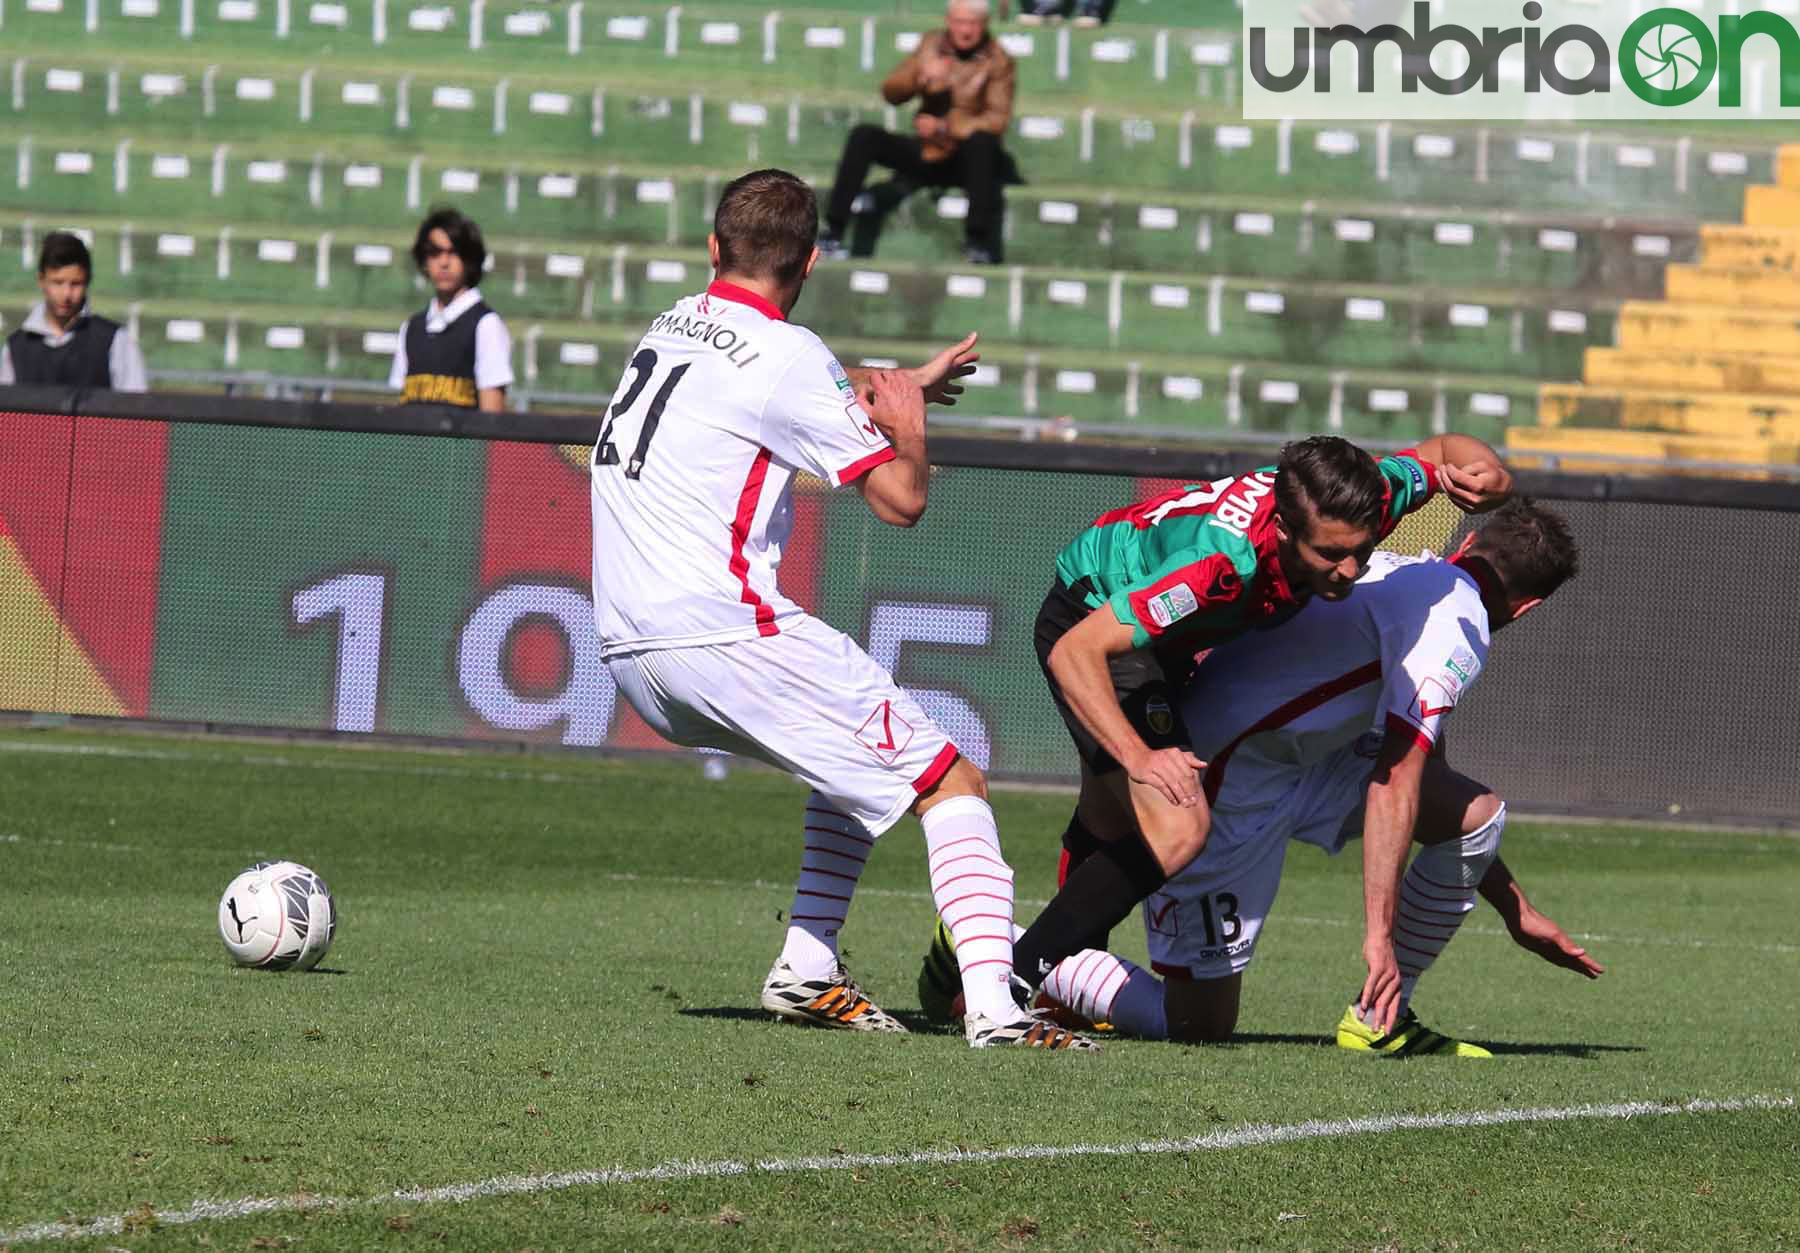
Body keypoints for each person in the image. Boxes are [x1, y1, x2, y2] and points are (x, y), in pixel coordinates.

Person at [589, 168, 1093, 1050]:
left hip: (628, 650)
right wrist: (910, 423)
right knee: (950, 780)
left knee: (846, 765)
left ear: (714, 249)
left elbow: (784, 373)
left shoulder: (667, 324)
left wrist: (893, 384)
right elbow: (901, 500)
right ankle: (998, 1012)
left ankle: (807, 969)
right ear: (812, 261)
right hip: (722, 630)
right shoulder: (791, 358)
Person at [925, 499, 1602, 1052]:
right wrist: (1377, 938)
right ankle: (1001, 946)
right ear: (1528, 606)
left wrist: (1516, 909)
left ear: (1472, 539)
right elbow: (1393, 784)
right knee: (1197, 1024)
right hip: (1228, 775)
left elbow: (1425, 769)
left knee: (1476, 812)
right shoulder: (1458, 625)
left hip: (1294, 761)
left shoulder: (1398, 571)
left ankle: (1379, 1017)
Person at [1001, 435, 1514, 1001]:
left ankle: (1001, 970)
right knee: (1178, 825)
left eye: (1360, 551)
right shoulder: (1221, 563)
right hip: (1095, 612)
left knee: (1108, 817)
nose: (1348, 571)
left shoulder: (1369, 497)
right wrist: (1139, 756)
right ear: (1284, 530)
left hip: (1158, 639)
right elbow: (1076, 651)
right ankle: (1009, 981)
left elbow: (1446, 449)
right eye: (1329, 554)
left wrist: (1493, 478)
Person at [819, 0, 1016, 265]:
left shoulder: (999, 59)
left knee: (983, 143)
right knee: (864, 135)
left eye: (972, 23)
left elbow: (997, 119)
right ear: (948, 21)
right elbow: (891, 92)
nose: (965, 31)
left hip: (963, 158)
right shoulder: (931, 44)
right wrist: (919, 77)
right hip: (925, 148)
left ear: (984, 25)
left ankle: (977, 242)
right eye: (959, 22)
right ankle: (834, 230)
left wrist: (946, 127)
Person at [388, 208, 513, 412]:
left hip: (464, 445)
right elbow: (400, 409)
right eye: (435, 253)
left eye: (453, 252)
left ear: (470, 260)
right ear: (424, 261)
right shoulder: (411, 328)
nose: (444, 262)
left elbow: (493, 421)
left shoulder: (485, 325)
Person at [0, 231, 147, 391]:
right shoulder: (16, 347)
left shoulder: (116, 341)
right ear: (41, 280)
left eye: (75, 284)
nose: (67, 294)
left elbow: (137, 407)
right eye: (58, 282)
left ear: (87, 282)